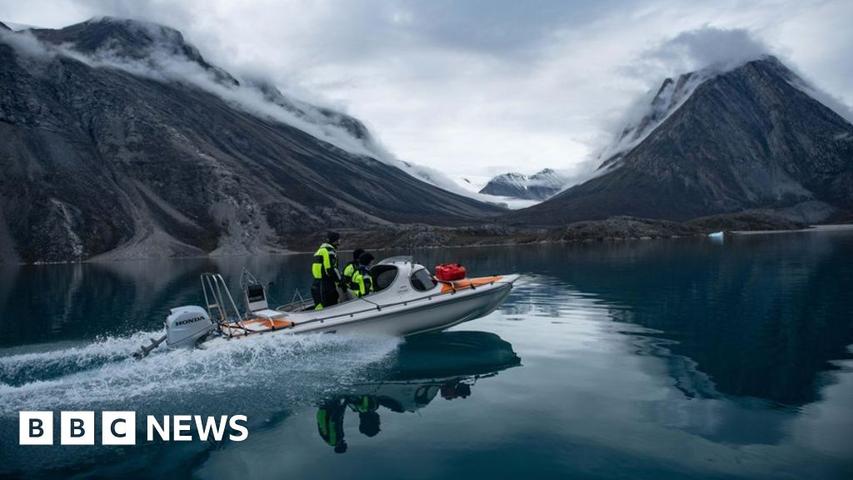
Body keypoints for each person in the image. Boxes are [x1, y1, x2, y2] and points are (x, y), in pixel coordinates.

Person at [311, 231, 342, 310]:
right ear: (335, 240)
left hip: (317, 283)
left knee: (320, 305)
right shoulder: (329, 251)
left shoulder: (320, 250)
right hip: (326, 285)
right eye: (339, 239)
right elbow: (330, 269)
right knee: (331, 306)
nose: (340, 241)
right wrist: (340, 281)